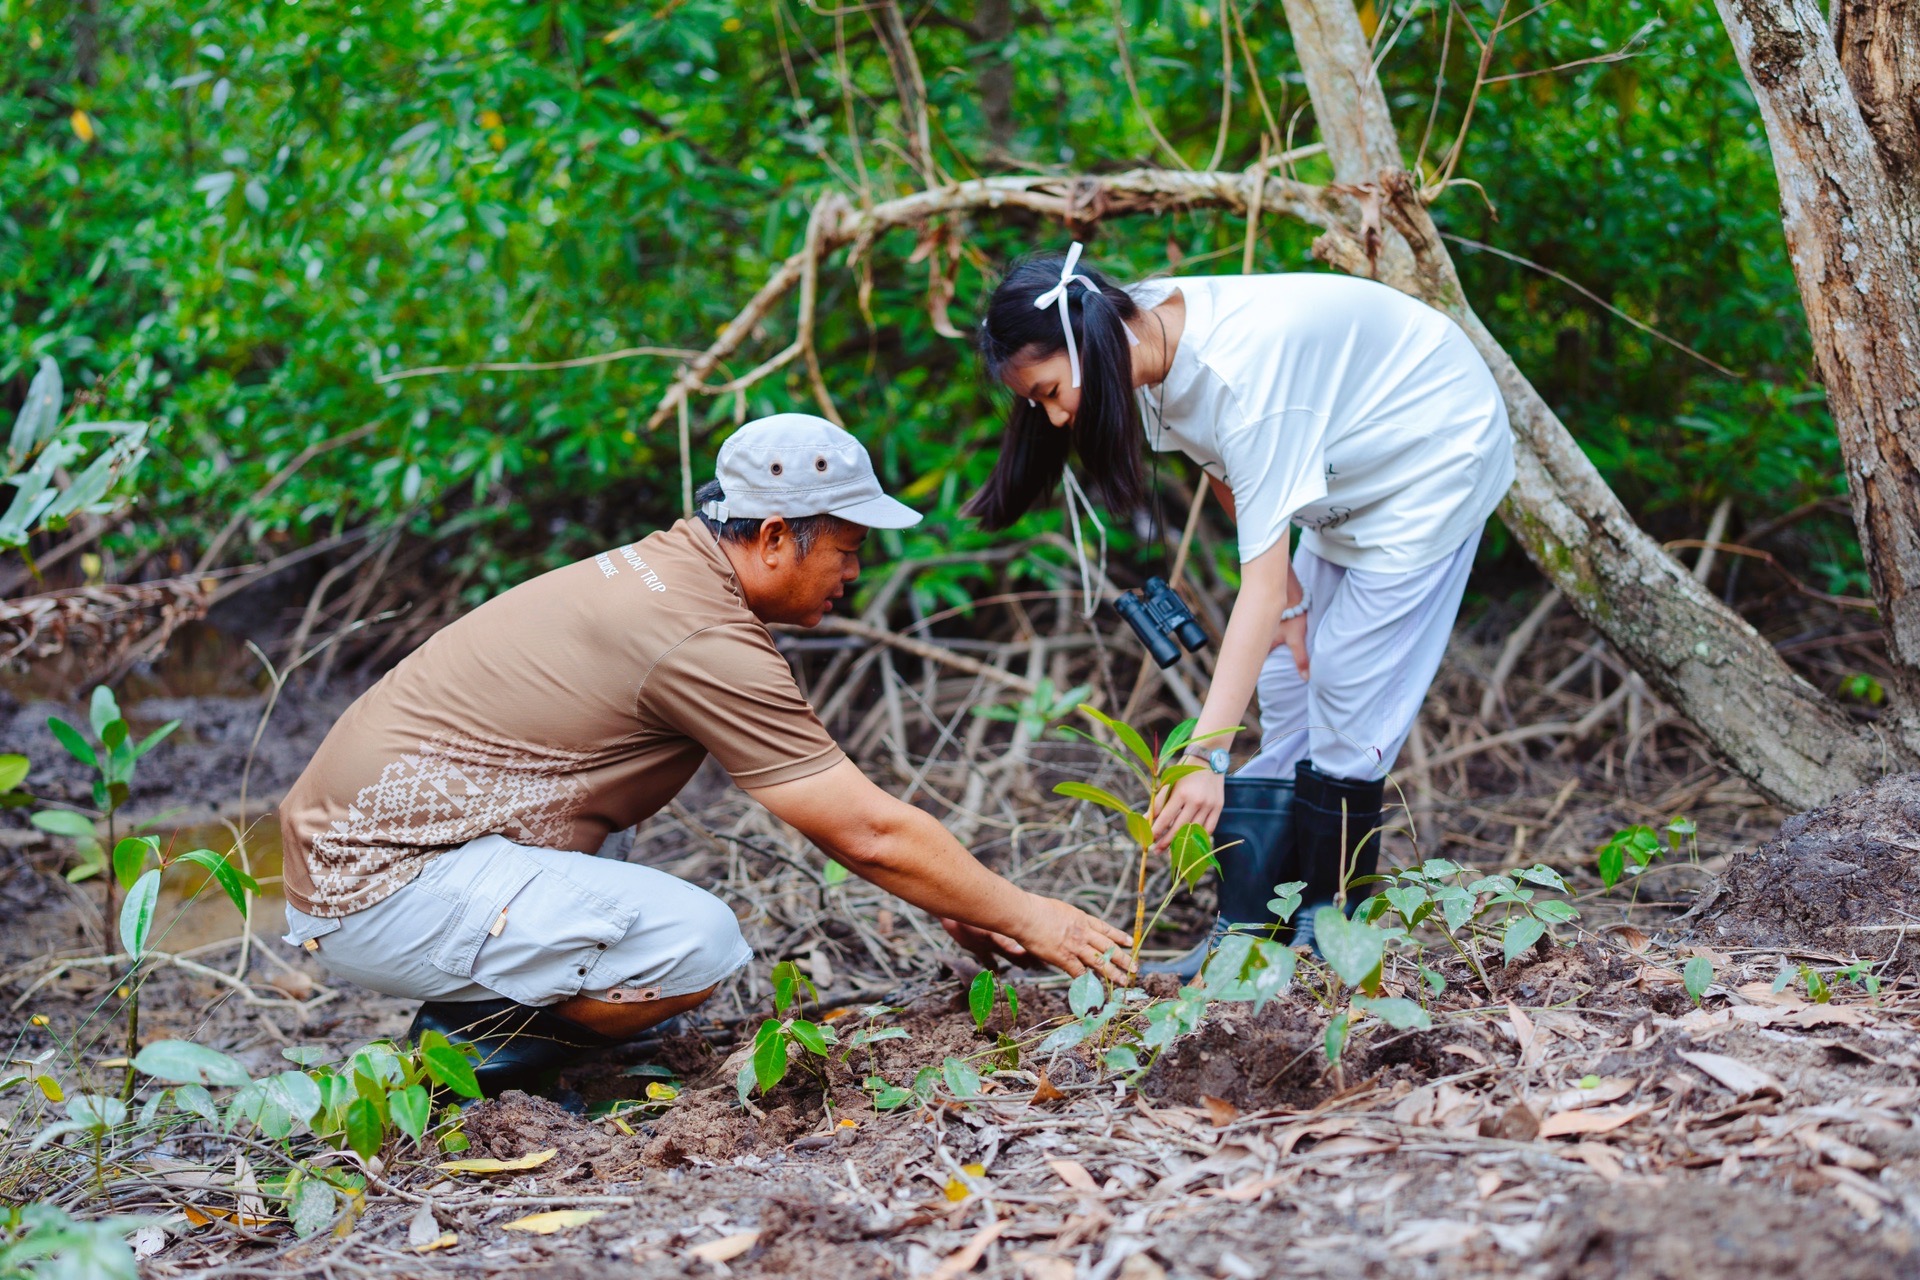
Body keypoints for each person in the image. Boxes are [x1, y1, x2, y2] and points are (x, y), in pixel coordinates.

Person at [279, 413, 1132, 1093]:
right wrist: (1033, 916)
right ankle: (467, 1056)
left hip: (382, 861)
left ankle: (503, 1026)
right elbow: (863, 831)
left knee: (629, 896)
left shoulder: (671, 575)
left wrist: (963, 895)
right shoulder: (697, 632)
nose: (854, 574)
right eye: (847, 550)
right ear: (771, 537)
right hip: (374, 887)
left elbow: (833, 808)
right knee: (696, 942)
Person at [965, 245, 1514, 970]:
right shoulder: (1140, 335)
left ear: (1083, 343)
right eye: (1038, 403)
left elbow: (1250, 516)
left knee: (1347, 680)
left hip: (1431, 454)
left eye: (1049, 390)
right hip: (1345, 469)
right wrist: (1291, 605)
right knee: (1288, 676)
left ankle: (1332, 930)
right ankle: (1254, 932)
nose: (1057, 417)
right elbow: (1225, 464)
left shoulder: (1245, 376)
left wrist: (1207, 755)